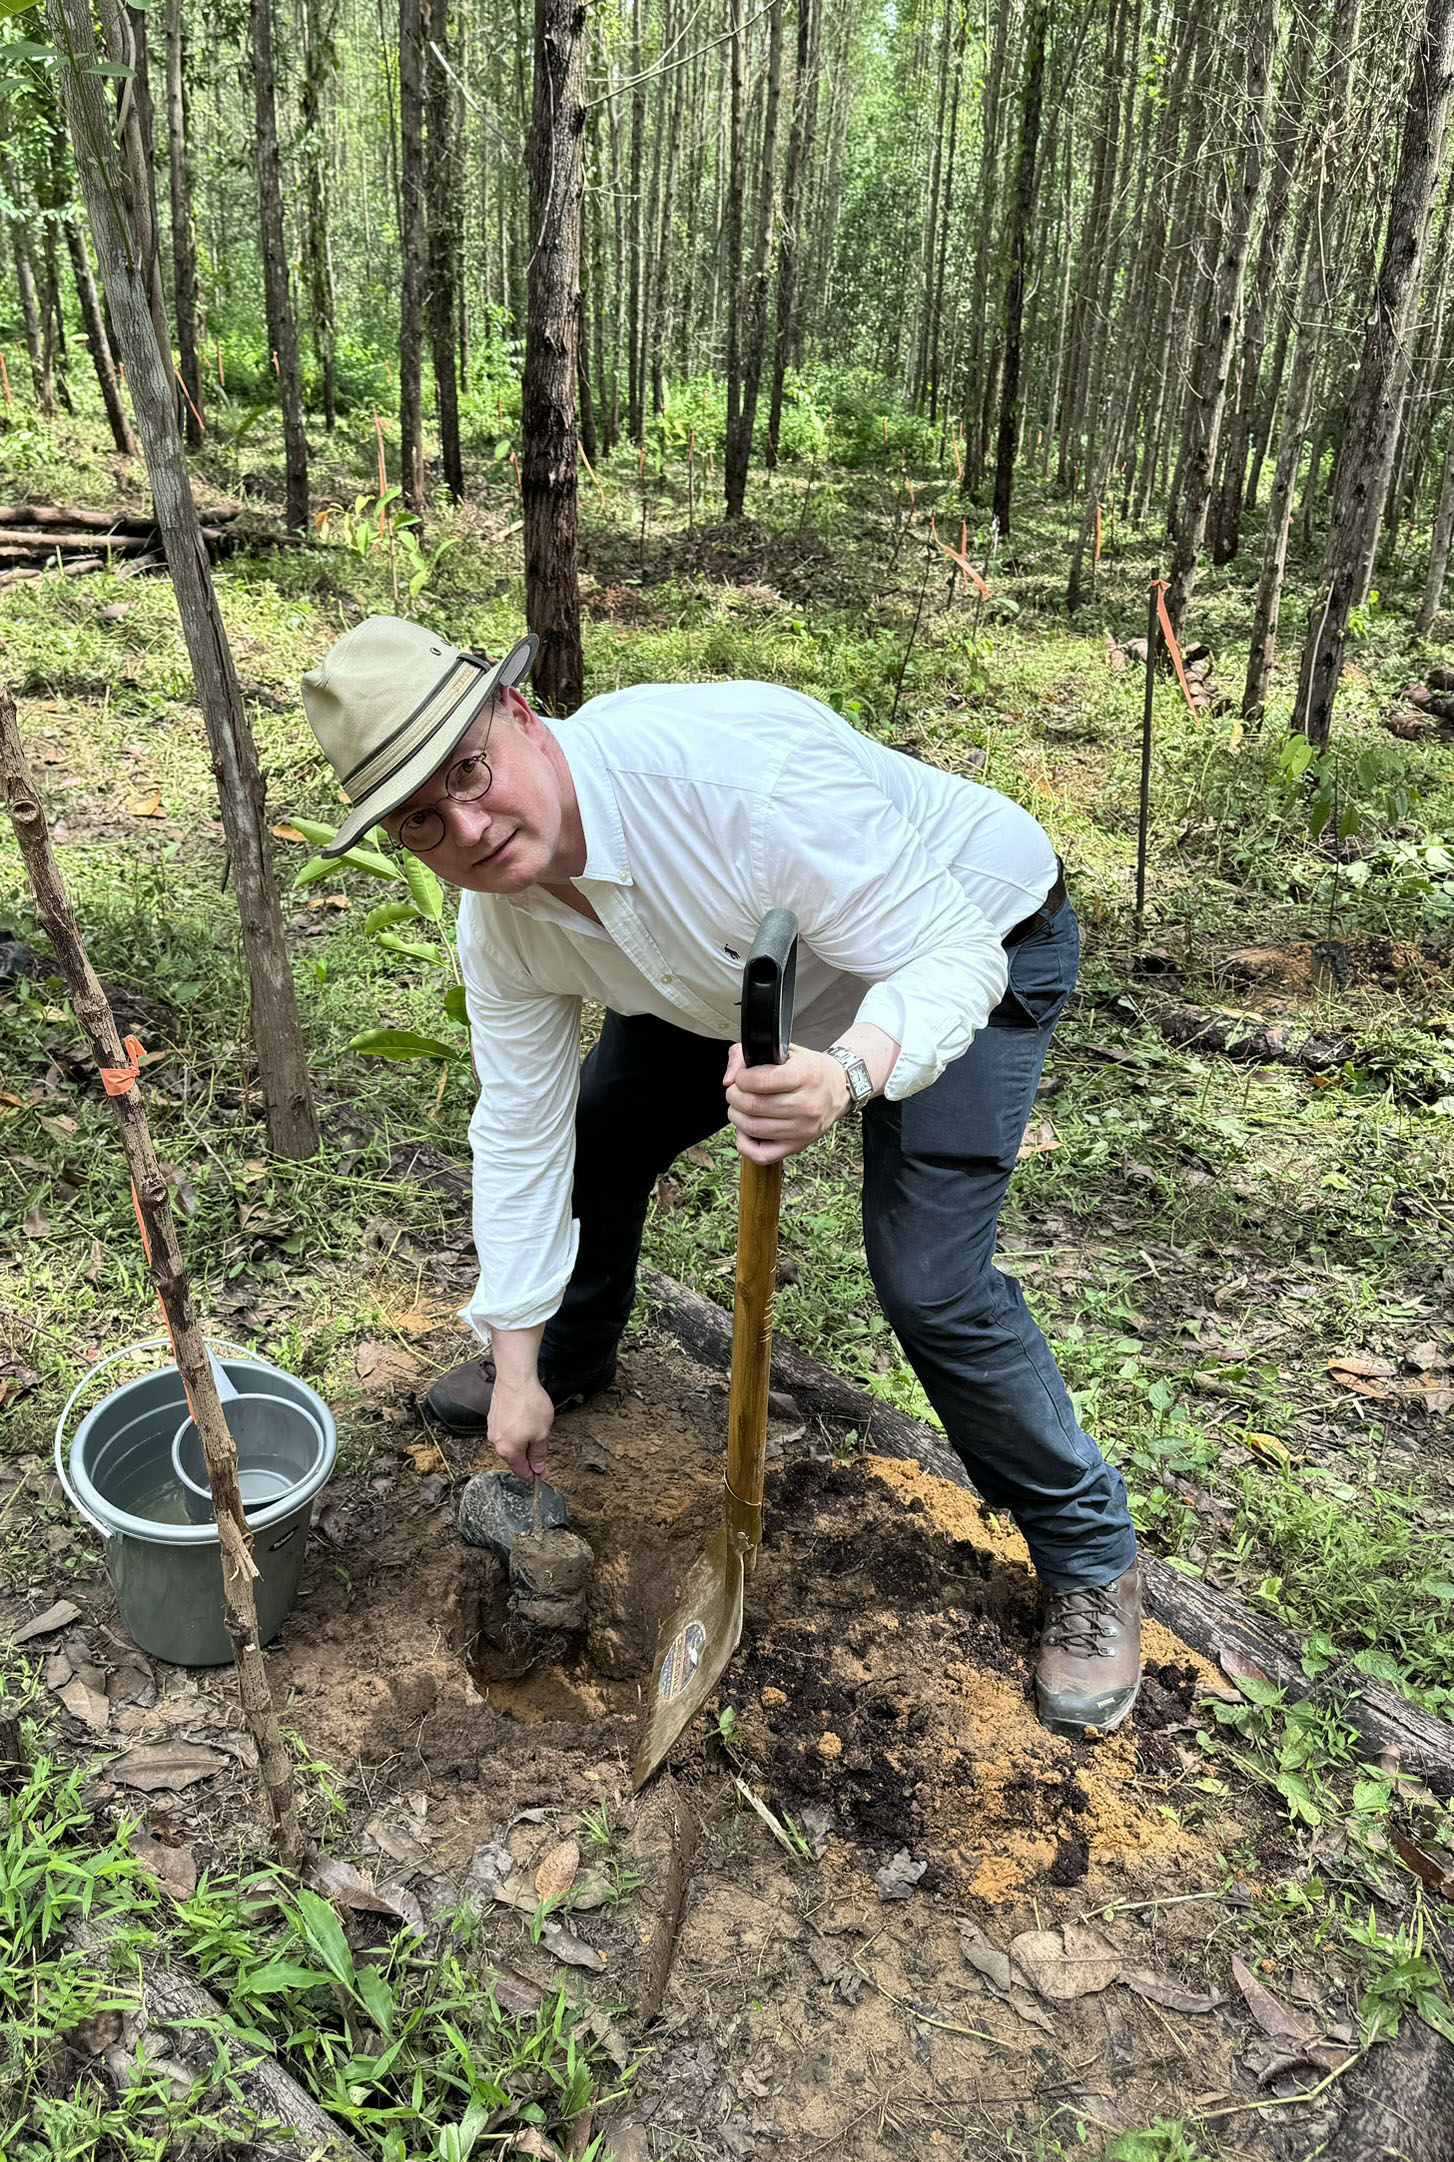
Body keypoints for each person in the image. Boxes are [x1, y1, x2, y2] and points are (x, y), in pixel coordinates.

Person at [301, 614, 1142, 1737]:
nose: (466, 825)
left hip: (959, 936)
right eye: (420, 818)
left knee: (928, 1275)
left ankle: (1088, 1554)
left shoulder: (734, 784)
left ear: (517, 712)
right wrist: (513, 1360)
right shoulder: (501, 923)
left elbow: (950, 955)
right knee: (596, 1133)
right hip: (725, 976)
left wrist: (843, 1074)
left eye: (467, 771)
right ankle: (570, 1352)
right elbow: (517, 1128)